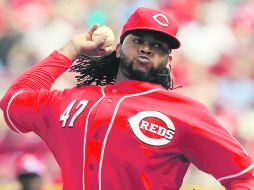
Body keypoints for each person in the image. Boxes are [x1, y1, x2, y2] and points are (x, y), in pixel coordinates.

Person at [0, 7, 254, 190]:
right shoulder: (73, 101)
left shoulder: (186, 112)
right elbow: (14, 101)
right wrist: (73, 48)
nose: (147, 48)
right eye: (138, 40)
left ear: (169, 60)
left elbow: (244, 177)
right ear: (119, 49)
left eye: (159, 46)